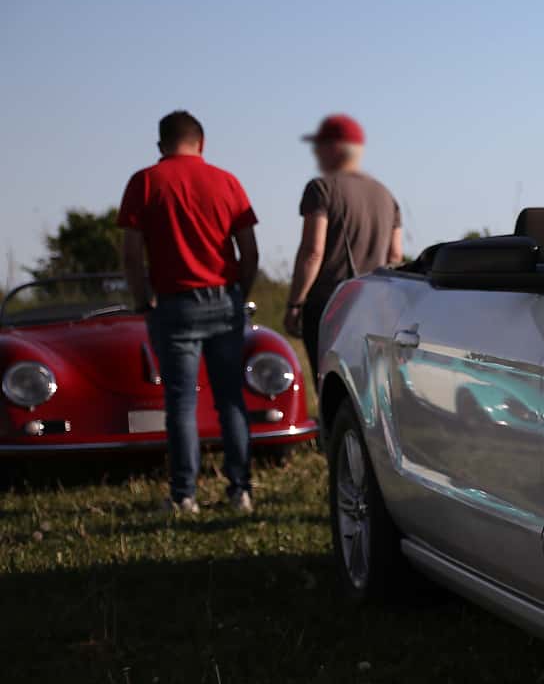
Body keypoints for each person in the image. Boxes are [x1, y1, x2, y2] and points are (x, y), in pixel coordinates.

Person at [117, 110, 260, 514]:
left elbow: (131, 254)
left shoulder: (146, 182)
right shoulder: (227, 181)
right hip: (224, 299)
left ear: (161, 145)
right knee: (230, 399)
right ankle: (240, 490)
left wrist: (143, 298)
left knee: (181, 402)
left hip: (174, 304)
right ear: (202, 142)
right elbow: (250, 251)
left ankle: (184, 496)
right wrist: (239, 295)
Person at [284, 113, 403, 376]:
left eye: (319, 147)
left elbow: (313, 252)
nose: (316, 154)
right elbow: (395, 256)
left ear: (333, 148)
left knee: (329, 382)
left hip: (330, 305)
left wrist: (295, 304)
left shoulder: (321, 189)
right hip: (373, 306)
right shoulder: (386, 195)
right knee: (365, 382)